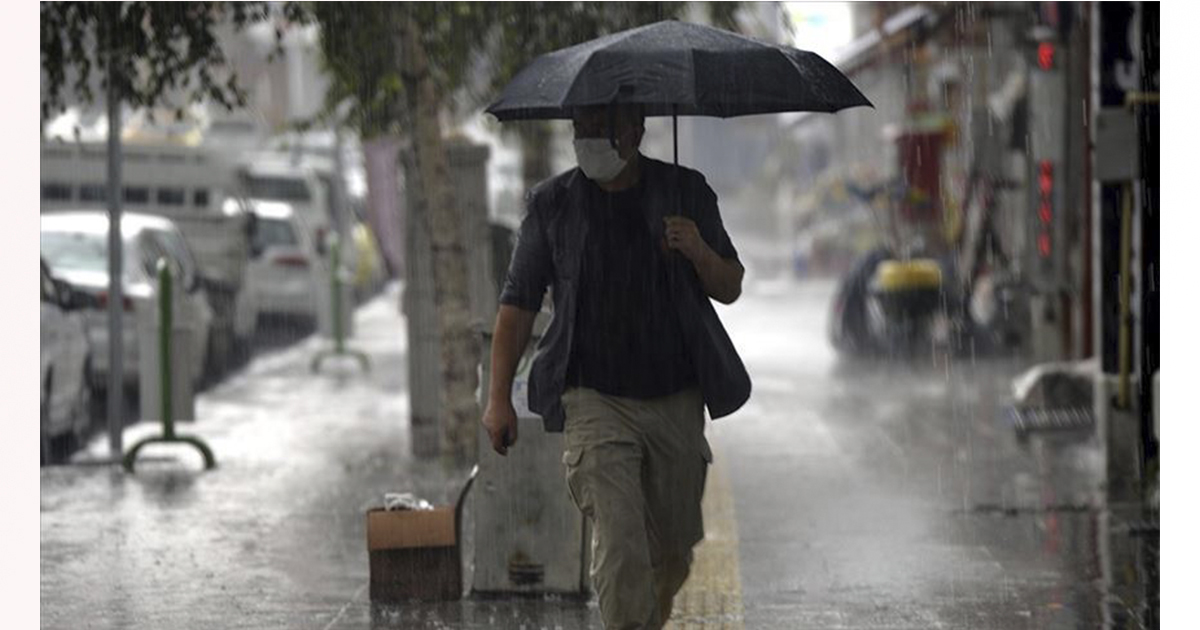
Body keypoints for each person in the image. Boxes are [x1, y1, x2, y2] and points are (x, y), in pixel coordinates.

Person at [481, 103, 751, 630]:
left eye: (598, 129)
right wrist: (497, 400)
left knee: (672, 550)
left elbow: (730, 285)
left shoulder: (685, 192)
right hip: (593, 399)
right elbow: (517, 305)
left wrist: (696, 249)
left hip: (674, 398)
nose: (586, 141)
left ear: (634, 131)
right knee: (622, 542)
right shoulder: (552, 204)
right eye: (578, 129)